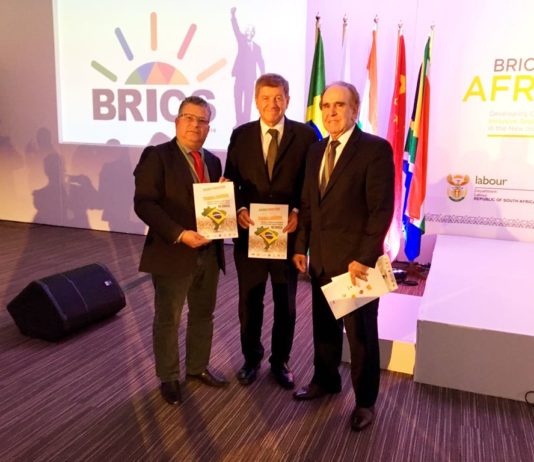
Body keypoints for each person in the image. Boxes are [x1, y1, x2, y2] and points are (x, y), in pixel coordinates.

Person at [292, 82, 394, 431]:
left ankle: (365, 402)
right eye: (326, 106)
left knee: (361, 338)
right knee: (324, 329)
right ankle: (326, 380)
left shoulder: (374, 149)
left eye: (339, 105)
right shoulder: (315, 150)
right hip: (321, 260)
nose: (331, 112)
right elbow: (308, 204)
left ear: (355, 109)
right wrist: (300, 247)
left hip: (355, 266)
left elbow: (381, 210)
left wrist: (364, 257)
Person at [224, 73, 318, 389]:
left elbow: (310, 185)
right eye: (265, 98)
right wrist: (238, 208)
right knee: (249, 302)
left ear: (287, 100)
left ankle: (280, 361)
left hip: (287, 237)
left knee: (286, 304)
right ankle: (251, 359)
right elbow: (231, 180)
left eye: (278, 97)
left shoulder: (306, 136)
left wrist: (297, 212)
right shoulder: (241, 135)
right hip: (249, 236)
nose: (272, 104)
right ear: (256, 100)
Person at [133, 96, 228, 406]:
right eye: (189, 118)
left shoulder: (213, 161)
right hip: (173, 251)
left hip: (208, 252)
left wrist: (223, 196)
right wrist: (179, 234)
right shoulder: (157, 156)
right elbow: (144, 203)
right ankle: (169, 377)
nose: (195, 125)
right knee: (169, 318)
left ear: (208, 128)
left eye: (202, 121)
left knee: (203, 313)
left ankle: (197, 367)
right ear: (177, 122)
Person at [230, 7, 265, 126]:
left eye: (250, 31)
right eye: (247, 31)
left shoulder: (257, 47)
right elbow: (236, 29)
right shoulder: (241, 41)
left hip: (250, 79)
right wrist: (233, 16)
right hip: (239, 77)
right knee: (238, 98)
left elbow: (261, 62)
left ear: (253, 33)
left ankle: (246, 122)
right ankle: (239, 121)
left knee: (248, 101)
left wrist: (263, 76)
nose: (248, 33)